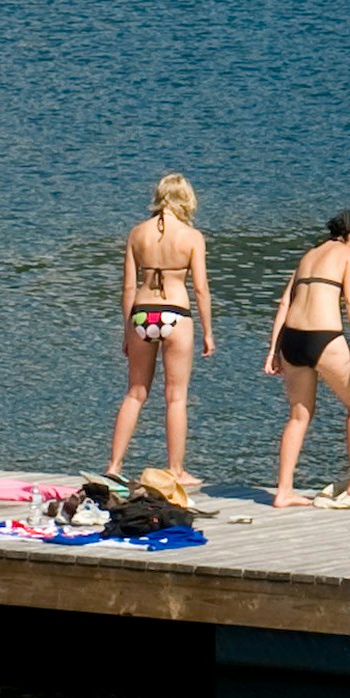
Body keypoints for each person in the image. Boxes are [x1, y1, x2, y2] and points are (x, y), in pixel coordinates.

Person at [106, 173, 217, 484]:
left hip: (142, 314)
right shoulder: (192, 237)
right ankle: (176, 470)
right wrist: (208, 331)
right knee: (175, 397)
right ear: (186, 199)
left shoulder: (137, 234)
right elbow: (201, 289)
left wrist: (127, 330)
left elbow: (128, 287)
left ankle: (113, 465)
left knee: (135, 393)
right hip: (176, 313)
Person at [266, 211, 350, 509]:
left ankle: (284, 491)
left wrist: (273, 349)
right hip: (324, 337)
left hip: (292, 338)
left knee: (298, 416)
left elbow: (286, 301)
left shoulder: (309, 255)